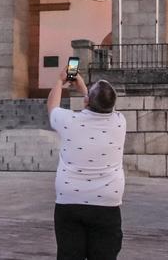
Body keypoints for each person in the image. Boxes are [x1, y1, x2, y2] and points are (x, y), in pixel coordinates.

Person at [47, 67, 126, 259]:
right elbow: (103, 105)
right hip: (107, 203)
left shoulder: (69, 121)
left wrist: (60, 81)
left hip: (70, 201)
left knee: (69, 255)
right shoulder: (119, 122)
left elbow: (52, 107)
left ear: (87, 101)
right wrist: (85, 91)